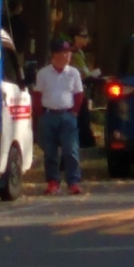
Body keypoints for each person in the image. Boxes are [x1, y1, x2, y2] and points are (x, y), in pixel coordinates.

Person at [33, 37, 85, 195]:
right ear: (55, 54)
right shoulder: (43, 73)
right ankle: (53, 182)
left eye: (69, 52)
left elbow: (79, 95)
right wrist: (40, 116)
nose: (68, 56)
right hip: (49, 116)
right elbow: (37, 95)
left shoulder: (73, 73)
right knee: (50, 152)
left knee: (70, 151)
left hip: (67, 115)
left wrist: (74, 112)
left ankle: (73, 182)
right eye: (64, 52)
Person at [68, 26, 99, 148]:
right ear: (76, 38)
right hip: (74, 92)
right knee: (82, 118)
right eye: (84, 36)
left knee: (83, 117)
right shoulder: (73, 54)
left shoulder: (80, 53)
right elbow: (84, 73)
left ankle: (84, 140)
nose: (87, 39)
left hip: (81, 90)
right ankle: (85, 142)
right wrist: (93, 74)